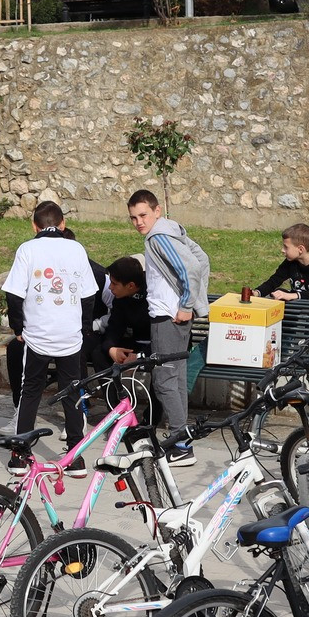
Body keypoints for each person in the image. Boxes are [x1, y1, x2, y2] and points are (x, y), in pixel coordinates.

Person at [4, 201, 101, 476]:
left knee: (30, 391)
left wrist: (17, 328)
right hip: (70, 336)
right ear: (63, 225)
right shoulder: (76, 248)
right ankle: (75, 458)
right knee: (72, 394)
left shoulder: (27, 249)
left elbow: (14, 294)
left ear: (34, 225)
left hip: (37, 335)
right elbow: (88, 295)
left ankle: (21, 457)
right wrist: (83, 329)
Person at [126, 189, 208, 464]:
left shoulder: (158, 237)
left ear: (157, 211)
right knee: (175, 378)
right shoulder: (171, 231)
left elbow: (192, 269)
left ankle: (180, 444)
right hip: (174, 318)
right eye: (133, 217)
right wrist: (197, 304)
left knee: (164, 381)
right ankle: (181, 440)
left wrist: (187, 305)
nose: (138, 222)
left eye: (143, 215)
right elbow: (202, 259)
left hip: (168, 318)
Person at [256, 223, 309, 304]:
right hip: (301, 304)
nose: (282, 250)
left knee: (285, 296)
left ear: (300, 249)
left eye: (286, 247)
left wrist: (290, 296)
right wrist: (256, 293)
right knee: (278, 293)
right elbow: (274, 281)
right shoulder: (290, 262)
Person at [103, 258, 153, 364]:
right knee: (99, 351)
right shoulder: (121, 298)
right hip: (135, 343)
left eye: (114, 284)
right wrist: (111, 348)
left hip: (159, 346)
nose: (110, 287)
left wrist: (141, 356)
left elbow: (164, 338)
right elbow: (114, 327)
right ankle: (110, 381)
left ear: (131, 285)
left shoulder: (154, 293)